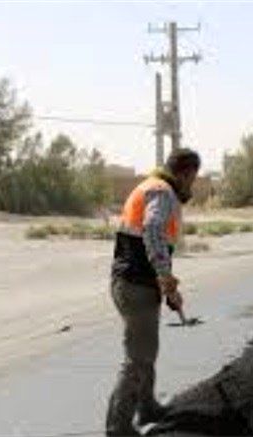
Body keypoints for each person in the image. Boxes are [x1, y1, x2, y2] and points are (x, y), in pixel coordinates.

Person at [106, 148, 200, 435]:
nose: (192, 186)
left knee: (147, 350)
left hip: (134, 282)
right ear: (184, 174)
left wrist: (165, 285)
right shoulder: (162, 192)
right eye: (192, 179)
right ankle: (118, 428)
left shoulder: (151, 186)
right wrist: (165, 276)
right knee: (138, 358)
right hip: (136, 284)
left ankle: (147, 407)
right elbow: (153, 229)